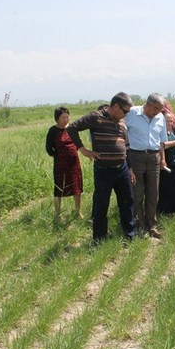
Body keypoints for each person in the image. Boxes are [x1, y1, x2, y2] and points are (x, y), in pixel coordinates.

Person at [66, 94, 135, 241]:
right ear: (116, 106)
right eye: (125, 111)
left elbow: (126, 146)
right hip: (104, 170)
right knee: (101, 204)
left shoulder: (121, 122)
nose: (126, 114)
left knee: (127, 202)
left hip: (122, 168)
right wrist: (83, 150)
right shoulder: (95, 117)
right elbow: (72, 128)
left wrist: (129, 168)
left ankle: (130, 235)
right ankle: (99, 239)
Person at [126, 93, 168, 239]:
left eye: (160, 109)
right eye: (156, 108)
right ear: (148, 104)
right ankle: (139, 224)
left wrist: (162, 159)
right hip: (136, 156)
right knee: (137, 191)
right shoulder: (131, 114)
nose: (158, 112)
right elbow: (122, 133)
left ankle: (152, 224)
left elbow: (162, 141)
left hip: (154, 157)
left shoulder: (160, 117)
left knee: (153, 192)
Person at [46, 107, 83, 221]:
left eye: (67, 117)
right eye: (63, 117)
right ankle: (58, 214)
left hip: (74, 163)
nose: (66, 119)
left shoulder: (72, 128)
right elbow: (49, 148)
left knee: (76, 187)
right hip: (60, 164)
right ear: (57, 119)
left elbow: (78, 143)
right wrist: (58, 156)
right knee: (59, 188)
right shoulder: (53, 131)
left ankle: (78, 212)